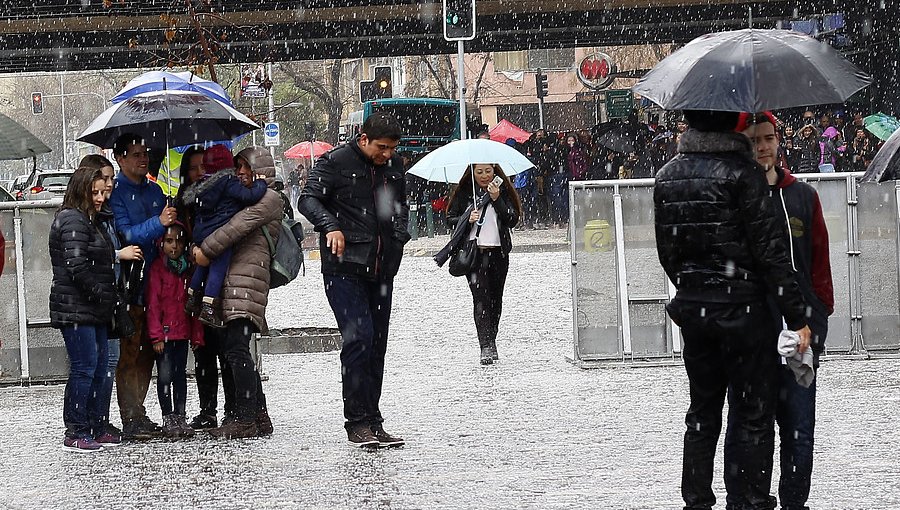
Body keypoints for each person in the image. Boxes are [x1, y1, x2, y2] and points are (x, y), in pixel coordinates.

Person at [653, 109, 811, 510]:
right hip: (744, 312)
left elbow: (668, 253)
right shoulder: (744, 175)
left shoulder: (668, 176)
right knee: (752, 414)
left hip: (696, 312)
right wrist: (797, 317)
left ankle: (697, 501)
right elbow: (771, 253)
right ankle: (748, 500)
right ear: (734, 123)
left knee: (702, 412)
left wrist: (695, 287)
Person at [738, 112, 834, 510]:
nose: (762, 147)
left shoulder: (802, 196)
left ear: (779, 141)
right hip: (754, 330)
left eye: (768, 138)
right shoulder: (740, 196)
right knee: (753, 427)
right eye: (755, 140)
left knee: (799, 427)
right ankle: (755, 498)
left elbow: (820, 264)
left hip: (801, 335)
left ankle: (796, 502)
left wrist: (817, 318)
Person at [298, 113, 410, 448]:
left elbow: (398, 207)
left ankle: (373, 419)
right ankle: (356, 420)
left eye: (391, 149)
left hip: (382, 267)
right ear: (363, 139)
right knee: (358, 338)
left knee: (376, 344)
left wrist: (398, 236)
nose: (386, 154)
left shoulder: (393, 167)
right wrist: (330, 225)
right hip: (344, 268)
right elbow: (308, 199)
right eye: (381, 147)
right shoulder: (335, 162)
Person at [192, 147, 282, 439]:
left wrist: (203, 251)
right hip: (236, 283)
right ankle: (256, 414)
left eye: (245, 167)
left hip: (247, 283)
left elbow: (233, 229)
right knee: (233, 349)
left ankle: (244, 416)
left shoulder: (268, 199)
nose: (240, 173)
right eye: (237, 167)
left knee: (236, 350)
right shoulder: (245, 196)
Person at [109, 133, 178, 440]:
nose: (143, 158)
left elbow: (164, 233)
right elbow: (125, 233)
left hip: (157, 284)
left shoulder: (155, 190)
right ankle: (130, 415)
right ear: (120, 158)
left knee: (151, 350)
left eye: (145, 153)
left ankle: (140, 410)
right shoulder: (116, 192)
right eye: (135, 154)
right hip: (130, 284)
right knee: (129, 351)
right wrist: (159, 223)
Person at [49, 167, 120, 452]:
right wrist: (100, 293)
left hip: (90, 308)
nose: (101, 198)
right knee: (85, 367)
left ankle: (96, 423)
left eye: (104, 192)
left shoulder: (88, 220)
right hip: (78, 308)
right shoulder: (73, 220)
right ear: (82, 192)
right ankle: (77, 428)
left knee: (100, 366)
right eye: (95, 193)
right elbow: (76, 265)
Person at [78, 154, 144, 442]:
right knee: (91, 364)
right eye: (104, 180)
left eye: (109, 181)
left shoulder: (104, 214)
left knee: (108, 360)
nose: (108, 186)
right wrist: (118, 254)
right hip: (94, 300)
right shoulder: (81, 218)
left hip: (111, 296)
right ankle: (85, 423)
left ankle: (99, 422)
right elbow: (86, 255)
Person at [182, 144, 267, 327]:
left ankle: (192, 294)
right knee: (218, 267)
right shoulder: (228, 181)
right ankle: (208, 305)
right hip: (219, 232)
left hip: (202, 232)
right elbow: (249, 196)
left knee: (203, 266)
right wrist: (260, 184)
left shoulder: (202, 185)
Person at [445, 163, 522, 364]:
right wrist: (466, 217)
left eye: (488, 171)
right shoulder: (465, 192)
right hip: (474, 255)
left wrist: (497, 200)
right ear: (472, 173)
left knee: (496, 298)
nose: (484, 176)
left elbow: (512, 219)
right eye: (479, 172)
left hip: (499, 254)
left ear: (495, 172)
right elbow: (449, 218)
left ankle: (491, 338)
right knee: (481, 299)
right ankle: (485, 345)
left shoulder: (502, 190)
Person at [146, 221, 204, 438]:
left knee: (180, 376)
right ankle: (168, 415)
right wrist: (156, 336)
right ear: (162, 243)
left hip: (182, 333)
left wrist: (197, 335)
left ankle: (180, 414)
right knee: (164, 376)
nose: (174, 246)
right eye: (169, 241)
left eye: (179, 242)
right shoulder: (157, 269)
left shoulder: (188, 270)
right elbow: (153, 305)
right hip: (165, 334)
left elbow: (193, 305)